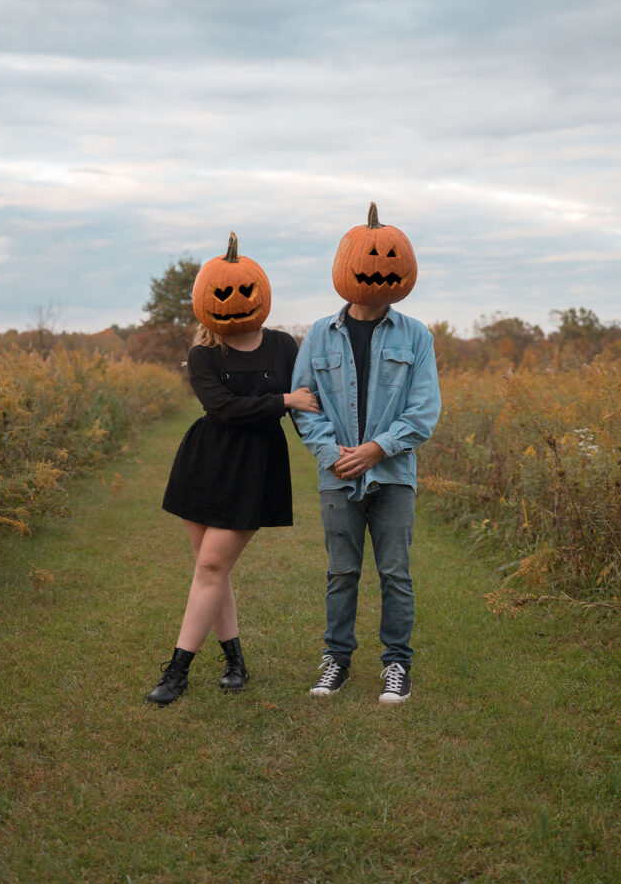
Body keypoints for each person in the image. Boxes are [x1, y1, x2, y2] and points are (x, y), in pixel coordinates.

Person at [146, 232, 319, 706]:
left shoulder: (285, 345)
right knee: (211, 570)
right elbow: (223, 408)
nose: (234, 301)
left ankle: (177, 672)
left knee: (211, 565)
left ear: (260, 293)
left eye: (243, 291)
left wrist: (332, 453)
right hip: (204, 463)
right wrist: (282, 399)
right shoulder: (205, 354)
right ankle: (235, 662)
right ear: (207, 301)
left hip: (254, 468)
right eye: (223, 293)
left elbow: (309, 408)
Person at [291, 203, 441, 704]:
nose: (378, 264)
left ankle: (397, 664)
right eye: (368, 255)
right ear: (345, 263)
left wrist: (377, 449)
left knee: (395, 572)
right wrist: (332, 454)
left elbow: (423, 411)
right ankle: (336, 660)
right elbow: (304, 407)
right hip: (337, 474)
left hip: (394, 475)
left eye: (388, 256)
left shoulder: (416, 335)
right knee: (341, 572)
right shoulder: (317, 335)